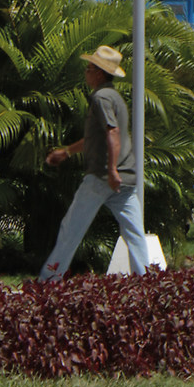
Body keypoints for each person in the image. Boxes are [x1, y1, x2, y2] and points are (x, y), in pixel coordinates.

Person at [39, 45, 150, 279]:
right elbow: (96, 137)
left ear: (99, 73)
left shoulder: (100, 98)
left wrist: (110, 170)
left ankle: (48, 282)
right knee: (134, 233)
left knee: (71, 229)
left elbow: (112, 133)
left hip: (101, 177)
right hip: (127, 178)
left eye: (89, 68)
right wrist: (67, 152)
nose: (86, 72)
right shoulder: (116, 98)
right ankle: (148, 282)